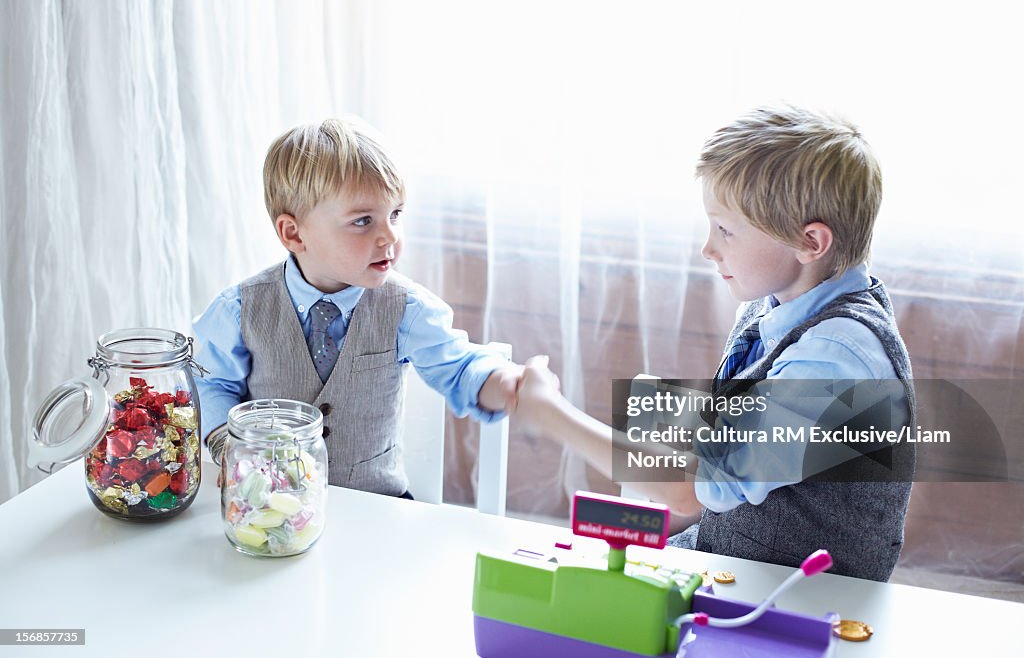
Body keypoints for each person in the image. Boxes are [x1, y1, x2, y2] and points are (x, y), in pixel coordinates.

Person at [515, 105, 915, 581]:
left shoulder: (837, 357)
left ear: (810, 243)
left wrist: (549, 412)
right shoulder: (779, 300)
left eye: (726, 229)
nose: (708, 247)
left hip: (802, 596)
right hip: (739, 562)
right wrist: (673, 417)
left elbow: (694, 489)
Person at [194, 117, 521, 498]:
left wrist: (505, 384)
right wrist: (227, 442)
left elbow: (461, 367)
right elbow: (210, 384)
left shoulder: (406, 308)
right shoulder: (240, 309)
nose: (390, 236)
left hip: (378, 505)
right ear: (294, 233)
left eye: (395, 214)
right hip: (270, 505)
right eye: (363, 221)